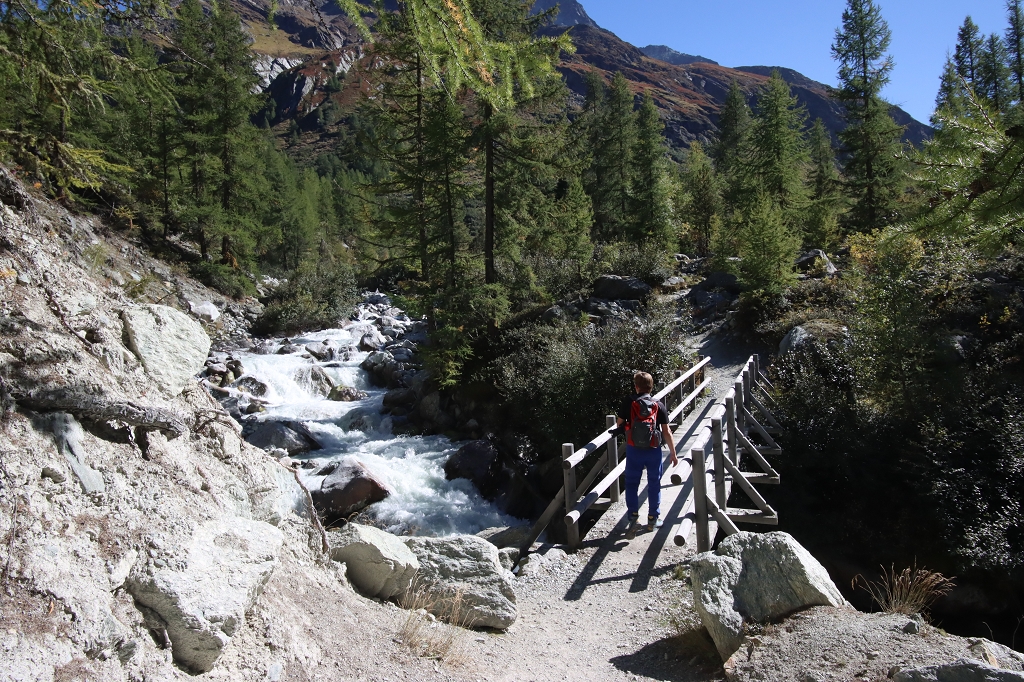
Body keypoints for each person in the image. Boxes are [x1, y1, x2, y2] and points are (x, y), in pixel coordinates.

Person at [615, 371, 677, 538]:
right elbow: (666, 431)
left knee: (632, 483)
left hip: (634, 449)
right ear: (651, 387)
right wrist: (673, 453)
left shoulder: (629, 401)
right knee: (654, 483)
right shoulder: (658, 404)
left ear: (636, 387)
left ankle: (633, 517)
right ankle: (652, 519)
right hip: (653, 450)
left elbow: (619, 423)